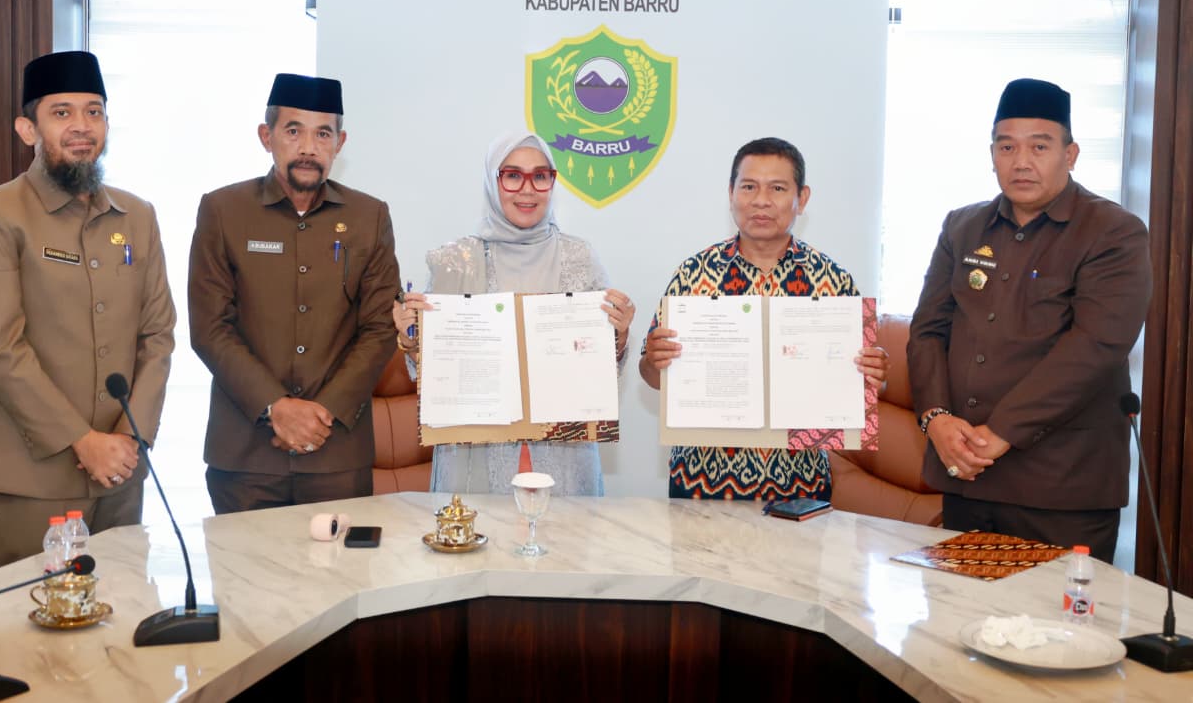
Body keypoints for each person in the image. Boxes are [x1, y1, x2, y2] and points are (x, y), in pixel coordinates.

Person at [0, 50, 176, 565]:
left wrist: (129, 440)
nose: (82, 126)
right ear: (28, 129)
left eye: (94, 111)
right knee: (37, 613)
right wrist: (82, 441)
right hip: (33, 477)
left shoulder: (137, 216)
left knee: (121, 607)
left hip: (121, 471)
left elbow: (158, 336)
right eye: (62, 112)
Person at [907, 78, 1151, 563]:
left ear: (1070, 154)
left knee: (1055, 615)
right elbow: (928, 330)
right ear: (992, 155)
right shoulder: (962, 226)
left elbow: (1095, 347)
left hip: (1062, 487)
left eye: (1039, 146)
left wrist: (999, 434)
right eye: (1007, 146)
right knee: (960, 610)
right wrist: (936, 419)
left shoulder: (1113, 232)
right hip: (968, 477)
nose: (1021, 161)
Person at [189, 73, 400, 513]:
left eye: (323, 133)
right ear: (266, 136)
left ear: (340, 143)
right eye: (293, 131)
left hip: (336, 451)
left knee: (341, 561)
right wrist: (276, 407)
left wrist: (322, 412)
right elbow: (210, 329)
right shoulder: (223, 211)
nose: (308, 147)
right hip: (245, 456)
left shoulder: (369, 217)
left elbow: (380, 329)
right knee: (244, 562)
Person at [639, 137, 887, 501]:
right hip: (702, 481)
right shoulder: (693, 275)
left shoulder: (833, 281)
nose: (761, 200)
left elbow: (861, 388)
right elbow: (652, 377)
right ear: (731, 193)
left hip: (800, 485)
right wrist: (653, 360)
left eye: (777, 188)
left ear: (802, 198)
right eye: (749, 187)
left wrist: (873, 374)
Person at [392, 132, 635, 495]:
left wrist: (619, 334)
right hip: (474, 453)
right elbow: (433, 374)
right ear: (493, 181)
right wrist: (412, 338)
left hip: (565, 454)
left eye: (540, 176)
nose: (527, 189)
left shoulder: (580, 259)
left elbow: (599, 372)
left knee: (565, 532)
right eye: (513, 175)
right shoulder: (454, 262)